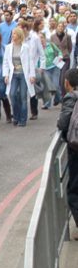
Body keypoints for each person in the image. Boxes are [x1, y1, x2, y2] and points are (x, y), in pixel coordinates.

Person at [57, 69, 78, 239]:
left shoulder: (71, 97)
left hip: (76, 149)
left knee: (73, 191)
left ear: (67, 83)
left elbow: (63, 123)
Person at [3, 28, 36, 127]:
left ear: (19, 35)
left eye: (14, 34)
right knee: (12, 95)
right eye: (12, 34)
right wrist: (6, 75)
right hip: (13, 74)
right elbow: (5, 62)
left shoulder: (26, 47)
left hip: (23, 74)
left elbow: (30, 61)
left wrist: (32, 75)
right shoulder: (8, 47)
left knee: (23, 97)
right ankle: (16, 117)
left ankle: (22, 119)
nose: (13, 36)